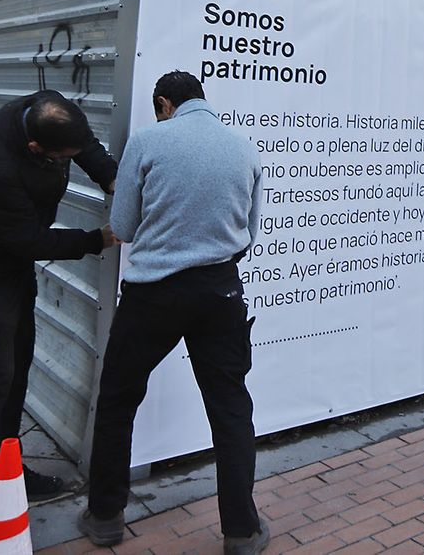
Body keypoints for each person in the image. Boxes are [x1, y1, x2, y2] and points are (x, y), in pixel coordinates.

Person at [78, 71, 268, 553]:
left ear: (164, 103)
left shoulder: (149, 141)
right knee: (229, 409)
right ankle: (242, 532)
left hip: (154, 295)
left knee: (119, 400)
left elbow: (123, 226)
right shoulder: (243, 147)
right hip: (220, 291)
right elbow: (250, 228)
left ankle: (104, 517)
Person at [0, 91, 119, 555]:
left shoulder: (51, 110)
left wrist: (116, 181)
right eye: (62, 159)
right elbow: (27, 240)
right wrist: (95, 238)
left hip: (13, 265)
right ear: (37, 149)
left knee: (15, 372)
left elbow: (88, 147)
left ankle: (8, 474)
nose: (69, 162)